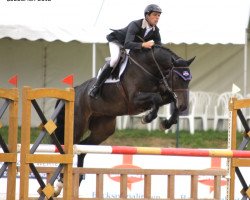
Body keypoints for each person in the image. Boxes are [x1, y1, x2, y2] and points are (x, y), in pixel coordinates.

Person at [88, 4, 162, 99]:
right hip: (118, 41)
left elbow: (159, 47)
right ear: (147, 15)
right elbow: (127, 44)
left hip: (132, 46)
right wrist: (143, 45)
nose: (157, 18)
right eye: (155, 15)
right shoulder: (135, 24)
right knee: (115, 59)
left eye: (159, 15)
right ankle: (96, 87)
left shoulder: (155, 30)